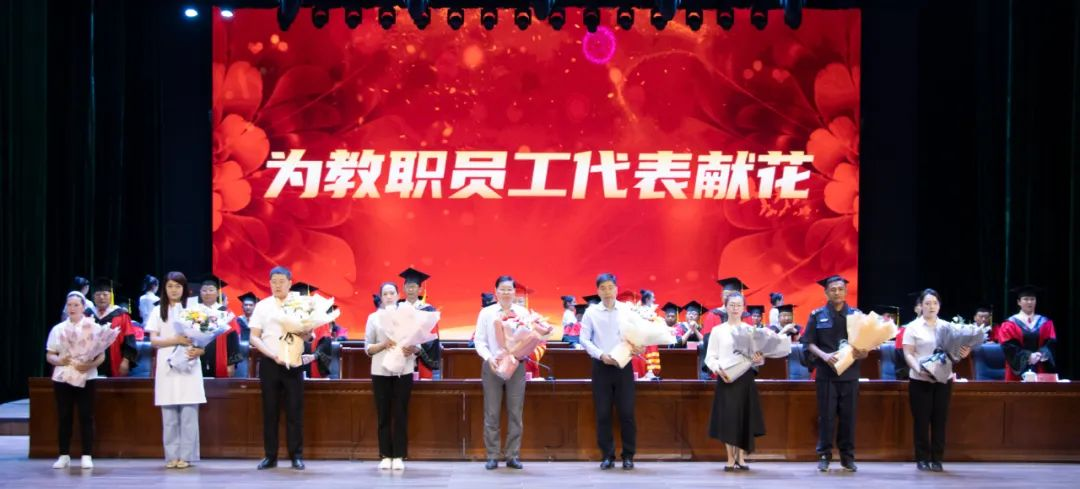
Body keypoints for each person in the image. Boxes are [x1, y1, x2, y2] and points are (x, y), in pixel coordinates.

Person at [801, 275, 867, 472]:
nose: (837, 292)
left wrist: (863, 352)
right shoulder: (817, 315)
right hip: (826, 374)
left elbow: (865, 345)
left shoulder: (856, 316)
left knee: (848, 418)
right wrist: (824, 355)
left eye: (840, 289)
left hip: (850, 375)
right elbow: (808, 342)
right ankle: (824, 456)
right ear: (826, 293)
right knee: (826, 417)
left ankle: (847, 457)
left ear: (845, 292)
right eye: (833, 289)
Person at [902, 289, 971, 472]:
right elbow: (908, 353)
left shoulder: (948, 327)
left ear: (939, 306)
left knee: (940, 420)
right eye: (927, 303)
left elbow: (955, 354)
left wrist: (963, 353)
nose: (931, 306)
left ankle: (937, 459)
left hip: (943, 380)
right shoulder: (913, 327)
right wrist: (918, 369)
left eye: (934, 303)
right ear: (920, 306)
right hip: (920, 379)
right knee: (921, 420)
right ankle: (922, 458)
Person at [475, 275, 537, 470]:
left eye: (509, 289)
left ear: (514, 292)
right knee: (491, 412)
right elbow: (479, 341)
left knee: (515, 412)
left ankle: (512, 455)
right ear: (496, 292)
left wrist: (519, 354)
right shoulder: (486, 313)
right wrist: (489, 358)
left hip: (516, 366)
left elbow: (529, 339)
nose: (506, 292)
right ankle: (492, 455)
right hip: (493, 365)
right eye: (502, 289)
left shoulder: (522, 312)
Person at [249, 266, 308, 470]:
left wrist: (307, 333)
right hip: (270, 363)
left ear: (290, 283)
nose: (277, 285)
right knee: (270, 411)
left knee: (295, 411)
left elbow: (309, 336)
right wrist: (273, 355)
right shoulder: (262, 306)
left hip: (294, 362)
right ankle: (270, 456)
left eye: (281, 281)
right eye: (273, 281)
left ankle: (296, 456)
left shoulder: (301, 304)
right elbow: (254, 337)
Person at [145, 272, 206, 469]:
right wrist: (175, 340)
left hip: (189, 362)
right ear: (164, 288)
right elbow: (154, 340)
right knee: (169, 415)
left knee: (189, 415)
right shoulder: (158, 311)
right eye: (170, 286)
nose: (174, 290)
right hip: (167, 365)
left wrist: (200, 350)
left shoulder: (194, 310)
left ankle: (187, 456)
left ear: (184, 289)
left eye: (178, 286)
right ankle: (171, 456)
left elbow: (204, 338)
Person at [581, 273, 641, 470]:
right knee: (603, 413)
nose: (607, 292)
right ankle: (607, 455)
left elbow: (637, 334)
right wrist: (600, 355)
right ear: (597, 291)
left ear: (616, 289)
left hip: (623, 365)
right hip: (601, 366)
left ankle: (628, 456)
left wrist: (638, 346)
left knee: (627, 413)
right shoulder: (591, 312)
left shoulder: (627, 310)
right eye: (603, 288)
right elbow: (584, 339)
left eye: (610, 287)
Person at [704, 292, 766, 471]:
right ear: (725, 307)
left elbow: (759, 359)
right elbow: (710, 357)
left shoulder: (750, 330)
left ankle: (741, 457)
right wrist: (718, 369)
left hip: (745, 378)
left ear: (743, 308)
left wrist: (759, 359)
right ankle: (730, 458)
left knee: (744, 416)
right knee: (728, 418)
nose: (735, 308)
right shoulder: (718, 330)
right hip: (726, 378)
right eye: (731, 305)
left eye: (739, 305)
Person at [46, 291, 105, 470]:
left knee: (86, 415)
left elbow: (101, 355)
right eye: (69, 305)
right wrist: (59, 361)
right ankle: (64, 455)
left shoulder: (93, 327)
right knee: (64, 416)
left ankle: (87, 455)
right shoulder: (58, 329)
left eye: (76, 305)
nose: (72, 308)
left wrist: (89, 365)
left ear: (83, 307)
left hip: (86, 376)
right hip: (63, 377)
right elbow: (50, 355)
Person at [366, 282, 419, 471]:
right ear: (381, 297)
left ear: (398, 295)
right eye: (385, 294)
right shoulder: (373, 318)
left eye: (392, 293)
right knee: (383, 414)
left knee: (400, 413)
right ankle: (385, 455)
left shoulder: (408, 315)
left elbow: (418, 345)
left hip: (403, 370)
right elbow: (367, 347)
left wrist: (412, 348)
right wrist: (383, 344)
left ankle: (399, 455)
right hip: (380, 371)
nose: (389, 296)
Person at [998, 285, 1057, 381]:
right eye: (1025, 299)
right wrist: (1028, 356)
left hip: (1040, 365)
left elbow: (1050, 344)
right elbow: (1008, 347)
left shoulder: (1045, 322)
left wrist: (1041, 354)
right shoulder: (1010, 324)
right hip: (1016, 370)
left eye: (1032, 299)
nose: (1029, 302)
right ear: (1019, 302)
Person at [88, 278, 138, 378]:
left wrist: (126, 361)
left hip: (115, 361)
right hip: (89, 362)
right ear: (93, 297)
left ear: (111, 296)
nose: (101, 297)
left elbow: (129, 340)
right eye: (98, 294)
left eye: (105, 294)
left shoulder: (121, 315)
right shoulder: (87, 315)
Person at [399, 268, 441, 379]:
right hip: (400, 357)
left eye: (413, 287)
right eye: (408, 286)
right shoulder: (397, 308)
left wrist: (418, 349)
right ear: (403, 288)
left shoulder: (428, 310)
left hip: (421, 360)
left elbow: (433, 336)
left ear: (420, 289)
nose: (410, 290)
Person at [196, 275, 242, 379]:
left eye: (211, 290)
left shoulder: (226, 312)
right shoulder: (194, 311)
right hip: (197, 358)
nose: (207, 293)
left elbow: (233, 339)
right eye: (204, 290)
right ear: (200, 293)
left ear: (217, 293)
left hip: (220, 359)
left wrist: (231, 363)